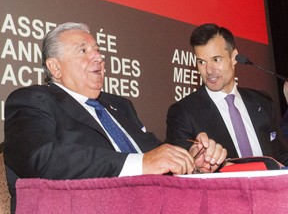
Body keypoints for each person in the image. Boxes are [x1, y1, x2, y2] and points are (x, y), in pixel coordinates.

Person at [3, 22, 227, 213]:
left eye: (98, 50)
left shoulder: (120, 106)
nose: (99, 57)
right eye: (83, 51)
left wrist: (190, 162)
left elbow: (154, 154)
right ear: (55, 67)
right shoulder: (32, 100)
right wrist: (141, 163)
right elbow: (41, 158)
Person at [166, 23, 288, 165]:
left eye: (216, 59)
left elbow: (282, 155)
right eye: (201, 62)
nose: (209, 70)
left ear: (234, 57)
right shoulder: (183, 113)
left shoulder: (262, 102)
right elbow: (181, 172)